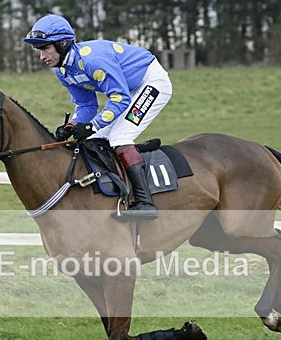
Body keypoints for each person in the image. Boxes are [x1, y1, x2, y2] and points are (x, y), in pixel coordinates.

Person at [23, 13, 173, 220]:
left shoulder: (93, 61)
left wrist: (92, 125)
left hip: (151, 82)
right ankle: (114, 193)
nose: (42, 56)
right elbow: (86, 104)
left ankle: (145, 202)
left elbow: (119, 99)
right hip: (128, 89)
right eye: (39, 50)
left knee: (120, 137)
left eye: (45, 48)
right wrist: (73, 125)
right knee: (92, 140)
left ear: (63, 43)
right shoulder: (63, 71)